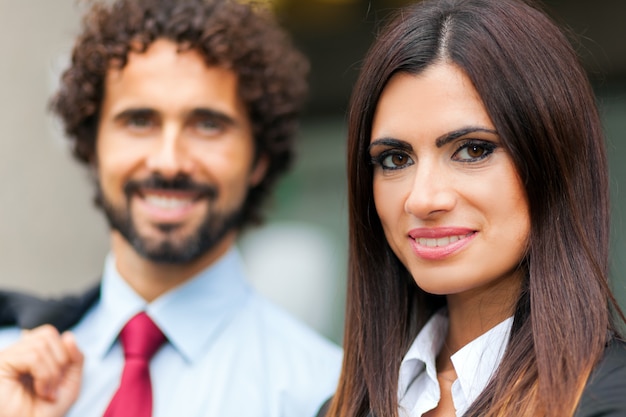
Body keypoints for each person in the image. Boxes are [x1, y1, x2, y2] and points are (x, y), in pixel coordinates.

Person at [0, 0, 342, 416]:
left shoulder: (325, 393)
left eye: (207, 124)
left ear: (260, 159)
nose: (168, 160)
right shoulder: (11, 366)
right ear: (91, 147)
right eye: (139, 121)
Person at [319, 0, 626, 416]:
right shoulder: (341, 409)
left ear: (553, 160)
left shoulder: (611, 398)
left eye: (473, 150)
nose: (423, 199)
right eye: (395, 158)